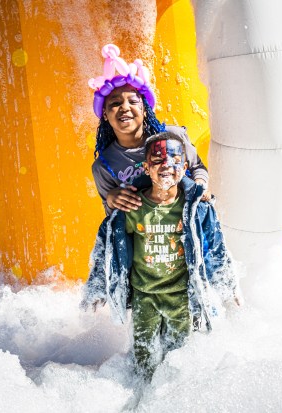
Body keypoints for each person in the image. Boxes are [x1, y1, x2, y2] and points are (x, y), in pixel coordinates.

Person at [81, 132, 241, 380]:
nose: (166, 165)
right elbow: (108, 248)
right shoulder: (134, 207)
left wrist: (226, 285)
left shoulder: (195, 208)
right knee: (143, 360)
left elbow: (215, 245)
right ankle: (144, 397)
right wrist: (98, 286)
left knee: (179, 359)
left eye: (174, 160)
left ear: (185, 167)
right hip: (145, 296)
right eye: (157, 160)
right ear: (146, 167)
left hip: (180, 297)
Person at [89, 44, 210, 216]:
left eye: (133, 101)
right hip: (148, 237)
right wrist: (110, 199)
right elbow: (111, 217)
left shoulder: (172, 137)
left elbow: (197, 167)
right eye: (115, 104)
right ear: (105, 114)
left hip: (185, 223)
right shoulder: (103, 166)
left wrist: (198, 186)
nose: (125, 108)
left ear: (145, 109)